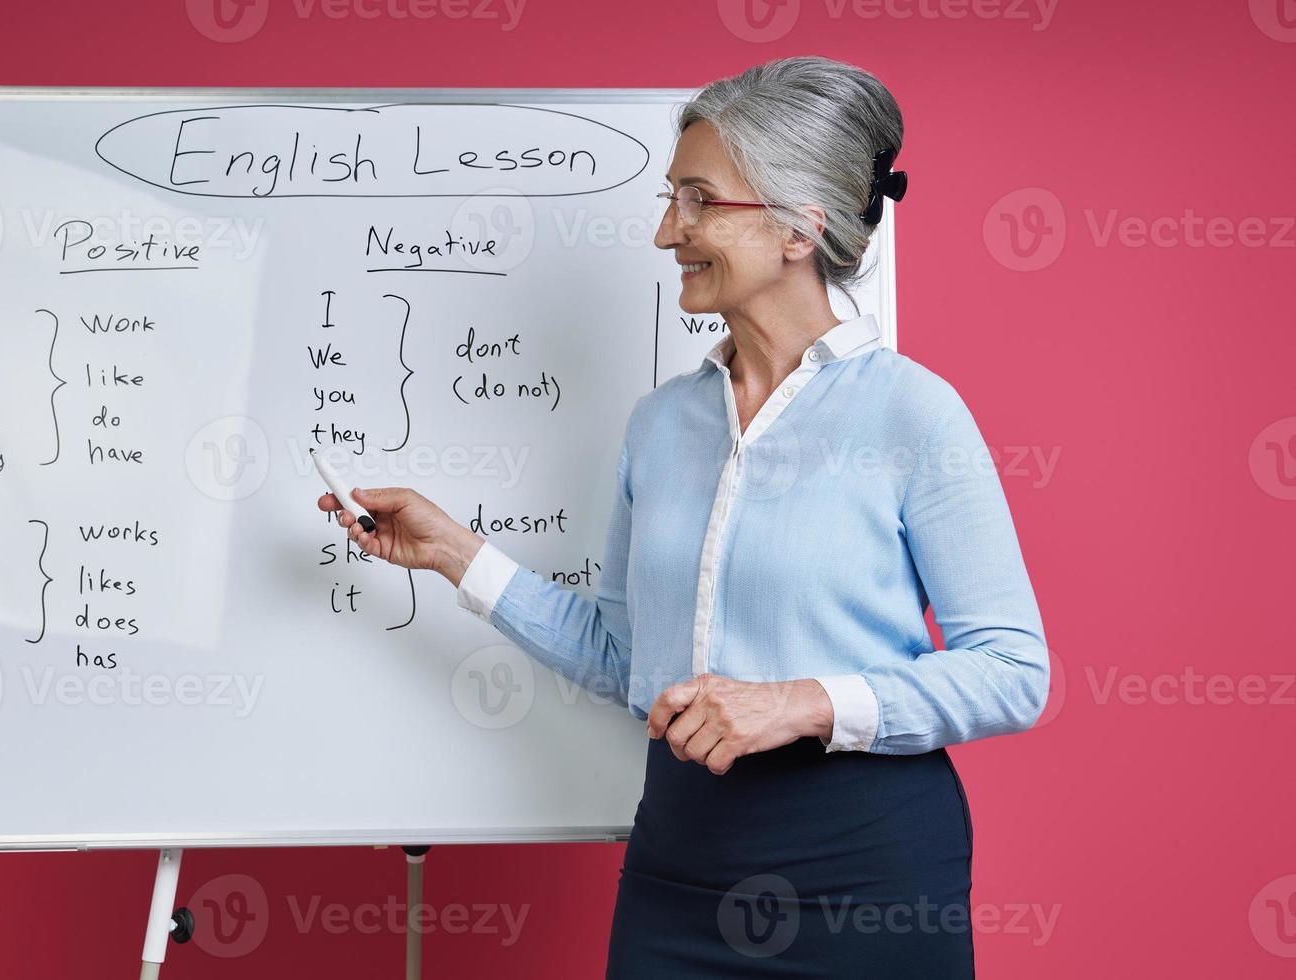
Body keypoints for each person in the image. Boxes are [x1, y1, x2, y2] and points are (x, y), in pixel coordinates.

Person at [319, 56, 1048, 977]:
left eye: (699, 200)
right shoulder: (660, 424)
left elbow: (1012, 672)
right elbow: (627, 659)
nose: (669, 231)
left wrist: (800, 702)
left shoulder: (913, 414)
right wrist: (455, 554)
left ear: (796, 227)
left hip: (865, 871)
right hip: (681, 858)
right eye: (671, 200)